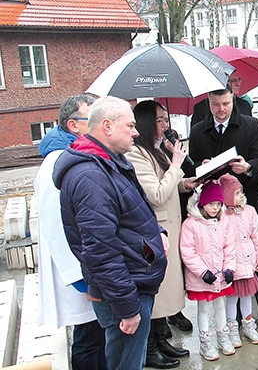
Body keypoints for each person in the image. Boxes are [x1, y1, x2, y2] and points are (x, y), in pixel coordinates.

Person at [53, 96, 168, 369]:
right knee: (125, 364)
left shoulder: (109, 162)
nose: (136, 131)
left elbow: (130, 212)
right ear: (107, 126)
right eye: (129, 126)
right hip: (125, 293)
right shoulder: (90, 176)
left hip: (130, 285)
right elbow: (100, 252)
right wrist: (127, 309)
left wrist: (157, 233)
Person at [188, 86, 258, 337]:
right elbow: (193, 166)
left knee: (257, 260)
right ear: (208, 103)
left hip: (246, 205)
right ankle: (236, 320)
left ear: (233, 100)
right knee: (225, 261)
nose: (221, 110)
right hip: (216, 210)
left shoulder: (251, 125)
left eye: (225, 104)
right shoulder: (199, 130)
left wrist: (248, 168)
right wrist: (202, 167)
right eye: (215, 105)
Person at [35, 94, 107, 370]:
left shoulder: (77, 153)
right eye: (91, 119)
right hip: (79, 271)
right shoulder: (57, 162)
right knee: (88, 339)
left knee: (96, 335)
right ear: (73, 125)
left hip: (89, 265)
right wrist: (80, 278)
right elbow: (56, 224)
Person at [126, 100, 199, 368]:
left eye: (166, 120)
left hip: (171, 227)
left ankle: (161, 340)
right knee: (158, 291)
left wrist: (184, 184)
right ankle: (150, 348)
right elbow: (155, 193)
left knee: (167, 289)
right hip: (156, 232)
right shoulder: (136, 153)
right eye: (160, 120)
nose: (165, 125)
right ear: (146, 122)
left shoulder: (154, 149)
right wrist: (177, 164)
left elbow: (168, 185)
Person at [179, 181, 236, 361]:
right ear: (203, 203)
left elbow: (230, 247)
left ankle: (223, 337)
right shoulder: (191, 224)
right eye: (212, 204)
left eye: (218, 204)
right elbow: (188, 251)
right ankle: (205, 341)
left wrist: (230, 268)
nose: (215, 208)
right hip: (202, 277)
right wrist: (202, 272)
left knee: (220, 305)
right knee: (203, 308)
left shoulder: (223, 222)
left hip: (220, 275)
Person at [219, 173, 258, 346]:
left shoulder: (250, 211)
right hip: (231, 266)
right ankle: (232, 328)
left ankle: (248, 325)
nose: (241, 196)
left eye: (241, 192)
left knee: (247, 295)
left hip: (248, 263)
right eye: (236, 193)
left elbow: (257, 236)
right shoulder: (222, 216)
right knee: (232, 298)